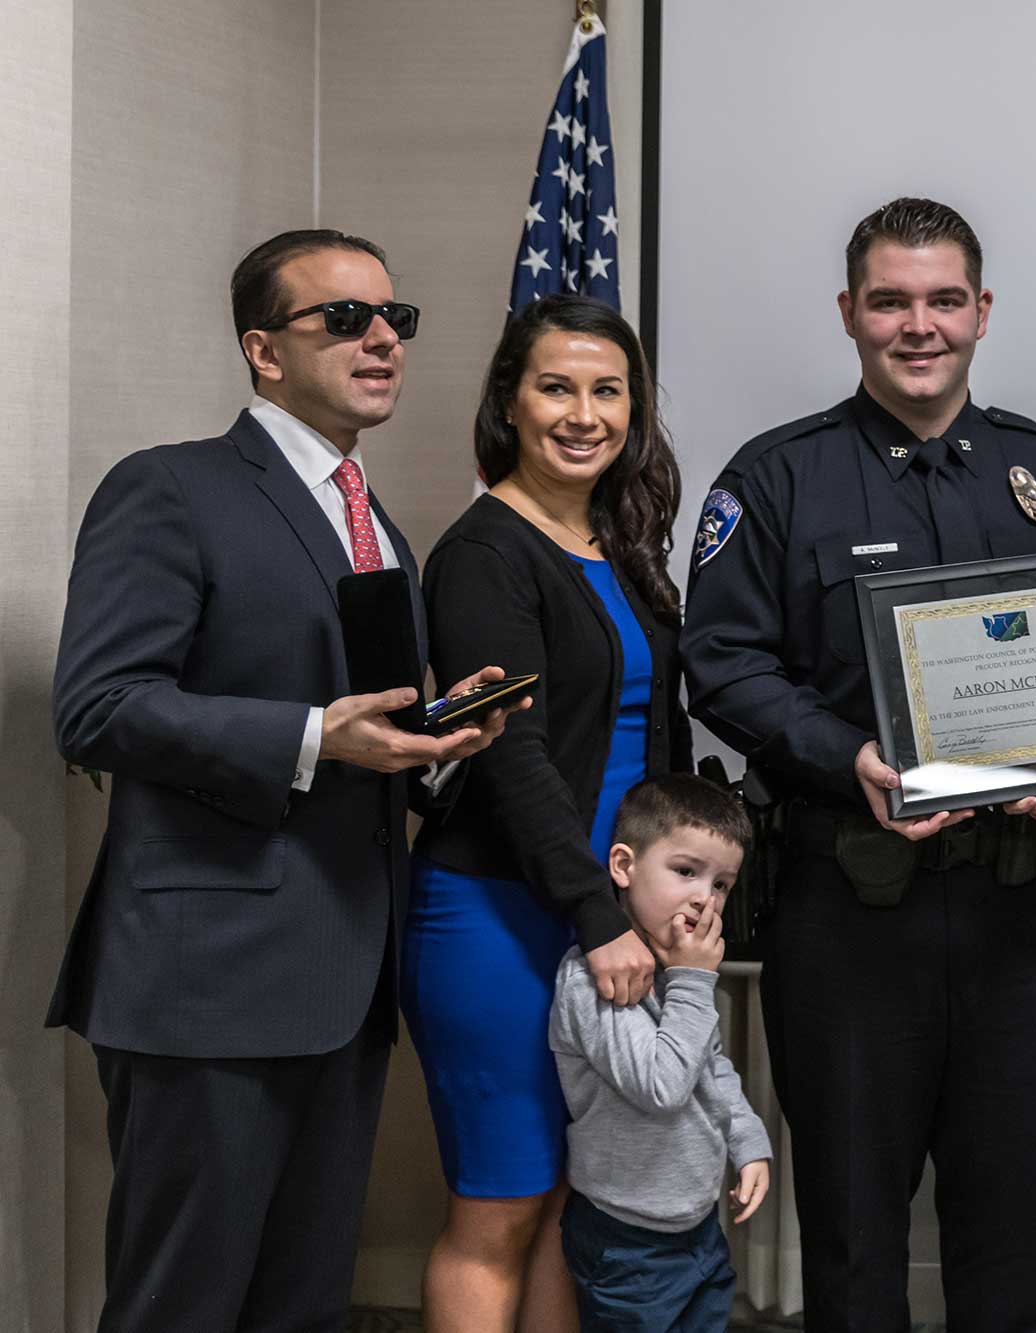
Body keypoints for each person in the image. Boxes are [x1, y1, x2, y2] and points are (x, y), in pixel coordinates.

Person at [49, 228, 515, 1330]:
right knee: (185, 1302)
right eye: (343, 318)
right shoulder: (171, 487)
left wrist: (437, 743)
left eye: (394, 319)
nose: (381, 341)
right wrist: (312, 735)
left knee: (302, 1303)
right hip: (206, 981)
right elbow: (97, 706)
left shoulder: (375, 524)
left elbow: (369, 729)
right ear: (263, 351)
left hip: (344, 978)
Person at [680, 196, 1036, 1332]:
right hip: (851, 912)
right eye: (890, 301)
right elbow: (718, 664)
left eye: (943, 300)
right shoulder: (775, 480)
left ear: (981, 311)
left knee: (1010, 1232)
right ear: (849, 314)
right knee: (855, 1239)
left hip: (1022, 916)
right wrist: (848, 753)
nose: (919, 326)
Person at [405, 295, 691, 1331]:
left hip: (606, 916)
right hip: (503, 916)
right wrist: (595, 911)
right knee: (502, 1201)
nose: (584, 413)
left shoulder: (618, 543)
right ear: (510, 403)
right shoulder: (483, 554)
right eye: (556, 386)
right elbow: (509, 755)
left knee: (573, 1196)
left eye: (606, 390)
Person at [550, 774, 773, 1332]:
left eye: (722, 884)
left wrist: (748, 1141)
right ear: (623, 866)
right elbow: (661, 1087)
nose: (705, 896)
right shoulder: (594, 980)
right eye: (686, 871)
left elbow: (711, 1066)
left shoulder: (680, 973)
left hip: (697, 1222)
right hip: (627, 1240)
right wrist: (694, 982)